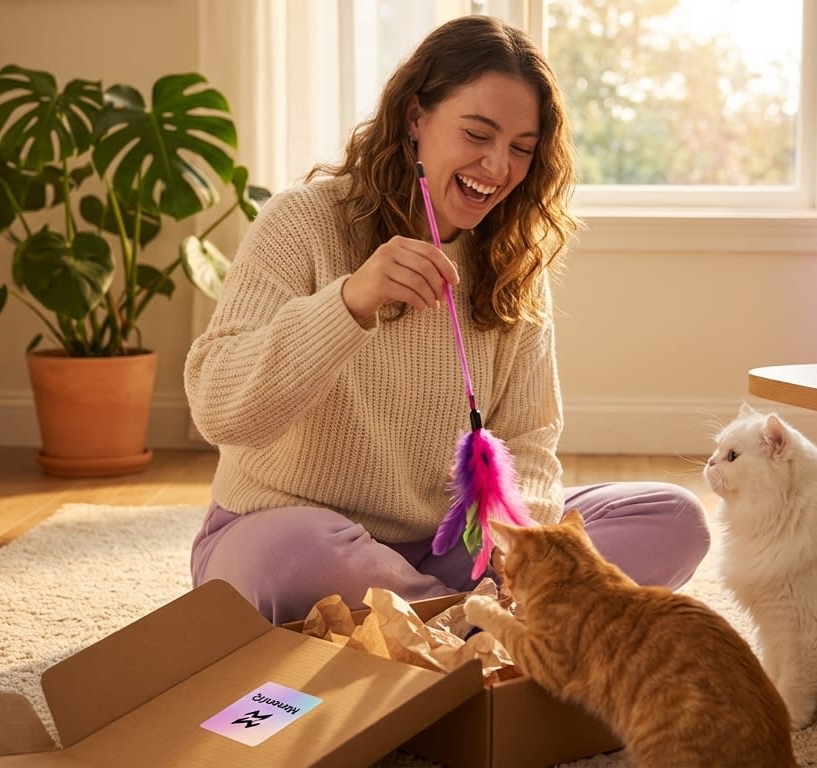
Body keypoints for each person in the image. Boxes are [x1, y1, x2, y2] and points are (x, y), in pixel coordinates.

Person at [184, 14, 709, 625]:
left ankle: (435, 621)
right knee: (298, 561)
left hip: (456, 552)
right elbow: (219, 408)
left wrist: (522, 554)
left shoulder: (511, 259)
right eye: (477, 134)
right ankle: (474, 628)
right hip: (290, 537)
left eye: (520, 148)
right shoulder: (302, 223)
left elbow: (530, 443)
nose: (496, 166)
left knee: (672, 520)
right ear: (415, 118)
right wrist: (348, 303)